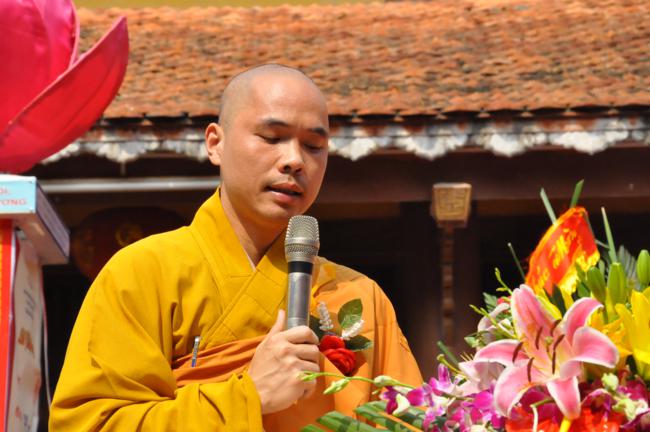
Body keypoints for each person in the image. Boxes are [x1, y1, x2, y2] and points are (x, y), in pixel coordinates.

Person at [50, 64, 422, 431]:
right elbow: (91, 425)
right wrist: (248, 398)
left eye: (314, 146)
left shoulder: (361, 297)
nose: (295, 160)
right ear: (216, 143)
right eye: (272, 137)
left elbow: (408, 422)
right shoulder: (142, 272)